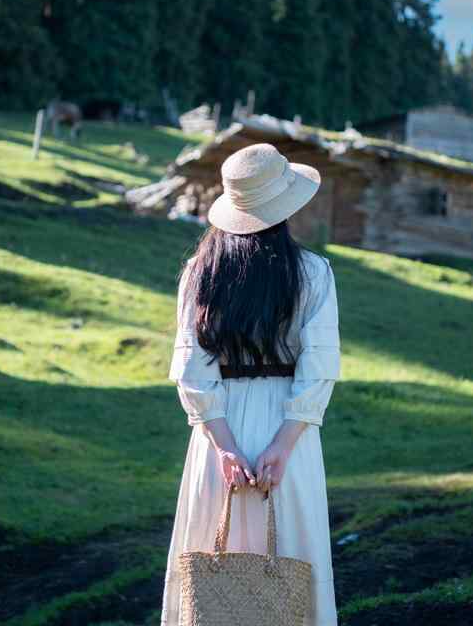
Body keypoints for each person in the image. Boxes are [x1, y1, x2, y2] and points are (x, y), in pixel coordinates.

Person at [160, 142, 341, 626]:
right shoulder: (313, 273)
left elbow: (192, 368)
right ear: (285, 207)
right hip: (290, 426)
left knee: (210, 566)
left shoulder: (200, 273)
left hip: (218, 429)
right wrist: (283, 445)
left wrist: (223, 447)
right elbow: (319, 367)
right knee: (290, 565)